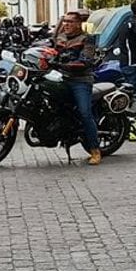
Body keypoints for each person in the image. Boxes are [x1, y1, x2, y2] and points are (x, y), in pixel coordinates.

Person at [51, 10, 103, 165]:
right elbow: (49, 51)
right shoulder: (59, 38)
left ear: (79, 24)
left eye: (70, 22)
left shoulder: (87, 39)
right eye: (65, 21)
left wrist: (61, 64)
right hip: (60, 78)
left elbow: (84, 62)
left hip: (80, 80)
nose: (66, 24)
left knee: (84, 113)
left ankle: (95, 150)